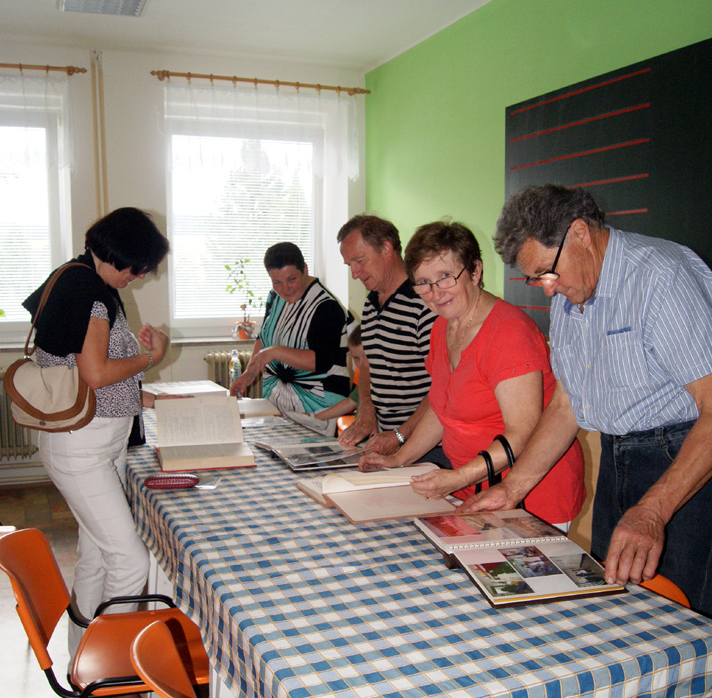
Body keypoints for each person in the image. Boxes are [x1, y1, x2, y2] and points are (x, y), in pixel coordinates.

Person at [467, 184, 712, 698]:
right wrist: (513, 487)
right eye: (536, 280)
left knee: (671, 667)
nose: (547, 288)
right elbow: (569, 404)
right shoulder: (573, 294)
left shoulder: (662, 278)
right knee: (620, 648)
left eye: (547, 272)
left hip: (686, 473)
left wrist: (654, 509)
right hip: (627, 466)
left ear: (580, 232)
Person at [22, 208, 170, 698]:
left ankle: (82, 667)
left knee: (96, 557)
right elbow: (96, 373)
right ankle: (117, 676)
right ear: (119, 255)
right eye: (139, 267)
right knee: (129, 561)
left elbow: (81, 372)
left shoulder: (80, 278)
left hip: (90, 442)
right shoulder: (90, 290)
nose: (141, 276)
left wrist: (147, 396)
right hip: (81, 448)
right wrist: (151, 357)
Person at [359, 220, 585, 527]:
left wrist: (458, 477)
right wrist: (399, 458)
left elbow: (522, 432)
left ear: (475, 272)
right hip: (472, 488)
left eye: (445, 277)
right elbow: (442, 411)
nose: (435, 293)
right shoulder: (442, 327)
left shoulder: (509, 332)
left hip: (532, 495)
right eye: (423, 282)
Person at [337, 214, 449, 465]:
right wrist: (366, 407)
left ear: (387, 249)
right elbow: (369, 365)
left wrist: (401, 434)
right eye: (349, 265)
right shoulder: (371, 303)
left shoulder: (424, 303)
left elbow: (443, 384)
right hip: (388, 443)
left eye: (360, 261)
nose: (355, 273)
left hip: (428, 447)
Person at [230, 242, 350, 415]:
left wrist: (276, 352)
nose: (285, 289)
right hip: (277, 402)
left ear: (305, 270)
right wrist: (249, 373)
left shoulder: (326, 307)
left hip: (319, 407)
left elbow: (319, 362)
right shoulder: (275, 297)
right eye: (277, 282)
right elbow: (265, 337)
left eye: (292, 279)